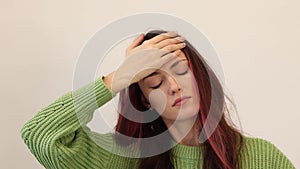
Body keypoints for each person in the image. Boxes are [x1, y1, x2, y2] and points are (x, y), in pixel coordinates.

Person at [21, 30, 295, 169]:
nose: (174, 86)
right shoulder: (124, 158)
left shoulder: (260, 157)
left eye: (180, 70)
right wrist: (120, 77)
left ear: (200, 76)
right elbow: (40, 135)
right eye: (155, 81)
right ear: (146, 101)